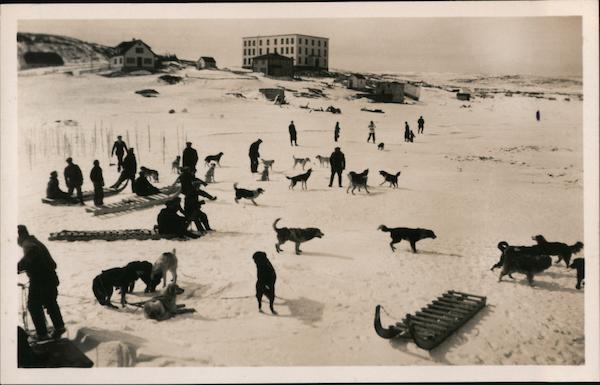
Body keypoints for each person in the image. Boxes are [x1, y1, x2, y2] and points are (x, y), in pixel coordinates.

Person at [17, 225, 66, 341]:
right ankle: (59, 327)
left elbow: (32, 253)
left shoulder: (27, 243)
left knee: (33, 306)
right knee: (50, 301)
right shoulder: (34, 241)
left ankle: (42, 334)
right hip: (50, 277)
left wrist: (17, 267)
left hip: (40, 281)